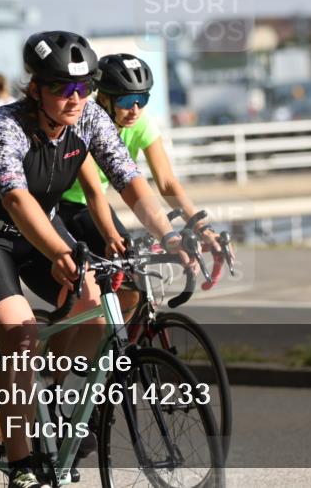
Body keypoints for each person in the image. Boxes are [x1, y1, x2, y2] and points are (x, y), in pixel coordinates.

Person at [0, 32, 195, 488]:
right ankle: (21, 464)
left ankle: (44, 392)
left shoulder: (90, 119)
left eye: (83, 87)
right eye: (62, 88)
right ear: (36, 88)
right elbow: (16, 199)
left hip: (41, 232)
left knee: (96, 310)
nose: (75, 98)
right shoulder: (5, 126)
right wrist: (60, 251)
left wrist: (170, 234)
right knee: (21, 337)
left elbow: (129, 180)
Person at [58, 53, 233, 311]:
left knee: (134, 293)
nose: (135, 110)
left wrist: (200, 228)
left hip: (92, 205)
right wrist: (113, 236)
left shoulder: (140, 124)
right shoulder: (84, 123)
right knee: (85, 297)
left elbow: (167, 183)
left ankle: (118, 338)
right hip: (61, 206)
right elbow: (92, 189)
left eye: (143, 100)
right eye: (127, 101)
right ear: (103, 98)